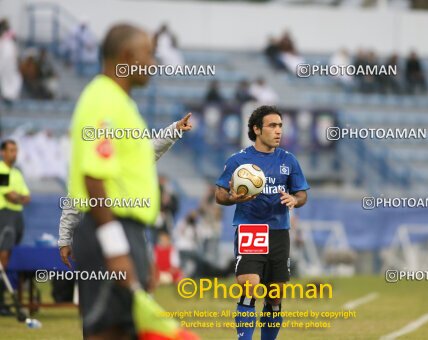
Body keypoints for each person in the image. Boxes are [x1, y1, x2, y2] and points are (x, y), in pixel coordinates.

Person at [67, 24, 192, 339]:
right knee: (107, 332)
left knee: (127, 329)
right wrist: (116, 248)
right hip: (108, 230)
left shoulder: (122, 102)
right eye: (148, 54)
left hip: (128, 231)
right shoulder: (102, 100)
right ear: (126, 56)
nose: (154, 62)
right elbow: (94, 177)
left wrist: (140, 251)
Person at [215, 105, 309, 340]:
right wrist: (231, 197)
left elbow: (303, 195)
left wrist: (294, 199)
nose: (278, 131)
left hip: (279, 231)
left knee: (274, 296)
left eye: (280, 126)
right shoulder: (239, 160)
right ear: (256, 129)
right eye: (272, 126)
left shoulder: (288, 160)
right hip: (251, 229)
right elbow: (219, 194)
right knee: (249, 287)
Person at [58, 114, 191, 267]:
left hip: (129, 232)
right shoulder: (85, 166)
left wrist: (174, 129)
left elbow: (153, 147)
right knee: (98, 283)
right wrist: (64, 239)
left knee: (130, 281)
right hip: (98, 234)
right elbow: (72, 204)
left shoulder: (127, 159)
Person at [0, 139, 31, 316]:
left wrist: (18, 197)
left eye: (16, 150)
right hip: (5, 215)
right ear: (3, 152)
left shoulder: (17, 173)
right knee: (3, 255)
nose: (14, 153)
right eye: (11, 150)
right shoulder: (1, 170)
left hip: (17, 216)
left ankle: (3, 298)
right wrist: (19, 197)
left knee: (9, 255)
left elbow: (28, 197)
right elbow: (10, 196)